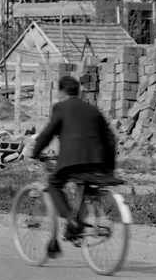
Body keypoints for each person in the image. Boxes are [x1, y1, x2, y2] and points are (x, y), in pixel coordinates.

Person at [28, 75, 117, 257]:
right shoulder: (93, 110)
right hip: (97, 161)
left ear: (61, 92)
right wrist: (109, 167)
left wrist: (35, 152)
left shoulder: (61, 107)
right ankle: (74, 228)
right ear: (79, 92)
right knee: (82, 188)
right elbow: (110, 138)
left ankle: (71, 221)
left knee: (54, 183)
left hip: (72, 161)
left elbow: (47, 134)